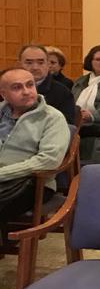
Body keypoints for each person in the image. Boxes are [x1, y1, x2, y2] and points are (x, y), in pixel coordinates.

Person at [0, 68, 69, 225]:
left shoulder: (52, 118)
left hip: (32, 183)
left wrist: (3, 173)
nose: (26, 91)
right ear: (4, 94)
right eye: (17, 87)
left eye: (30, 85)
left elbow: (49, 161)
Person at [18, 44, 76, 124]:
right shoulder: (7, 89)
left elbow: (68, 125)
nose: (35, 67)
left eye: (40, 63)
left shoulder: (62, 92)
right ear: (19, 64)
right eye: (29, 63)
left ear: (48, 65)